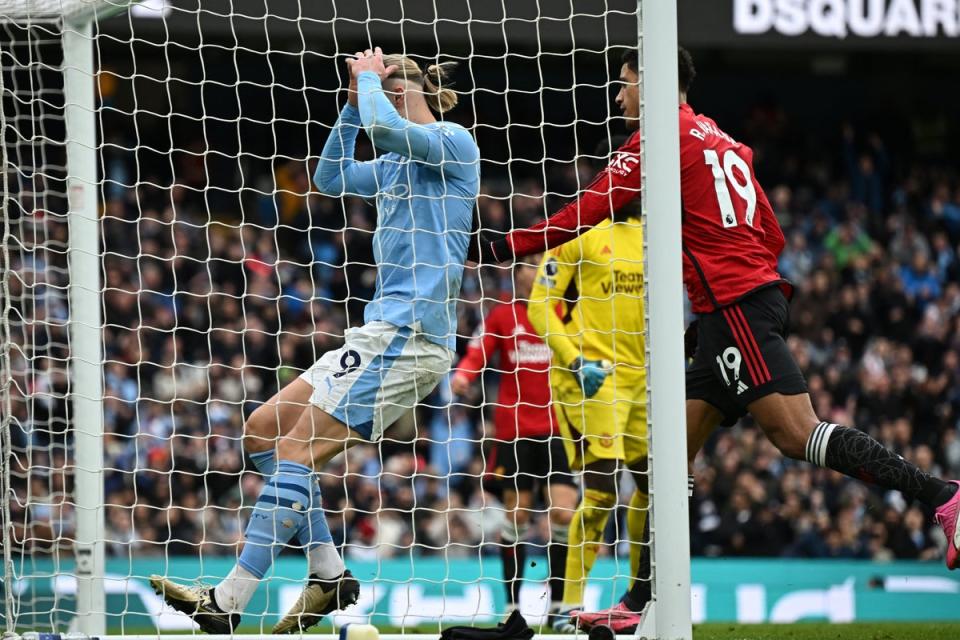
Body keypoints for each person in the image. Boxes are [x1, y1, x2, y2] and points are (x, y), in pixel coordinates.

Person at [476, 47, 960, 631]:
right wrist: (715, 315)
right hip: (731, 309)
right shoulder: (726, 142)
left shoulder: (660, 139)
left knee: (794, 435)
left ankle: (940, 495)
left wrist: (501, 246)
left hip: (734, 309)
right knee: (669, 459)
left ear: (652, 84)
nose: (619, 96)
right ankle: (636, 604)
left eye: (625, 84)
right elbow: (771, 233)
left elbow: (586, 211)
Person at [151, 47, 481, 634]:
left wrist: (370, 92)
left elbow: (385, 125)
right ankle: (328, 573)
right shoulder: (390, 163)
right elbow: (328, 178)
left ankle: (226, 603)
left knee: (298, 451)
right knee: (262, 434)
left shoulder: (455, 142)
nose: (378, 97)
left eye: (385, 85)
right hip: (379, 330)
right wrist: (352, 108)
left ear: (406, 89)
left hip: (412, 337)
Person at [525, 160, 649, 633]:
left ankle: (640, 594)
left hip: (646, 382)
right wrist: (575, 360)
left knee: (655, 493)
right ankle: (565, 608)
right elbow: (539, 304)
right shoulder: (577, 229)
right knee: (599, 496)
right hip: (592, 381)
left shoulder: (655, 235)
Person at [450, 257, 577, 623]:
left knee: (563, 514)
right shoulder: (503, 315)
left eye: (542, 265)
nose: (537, 272)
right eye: (529, 266)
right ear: (517, 273)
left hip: (557, 427)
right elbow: (477, 351)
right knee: (517, 517)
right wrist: (463, 376)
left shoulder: (562, 310)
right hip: (515, 430)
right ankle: (512, 606)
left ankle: (557, 607)